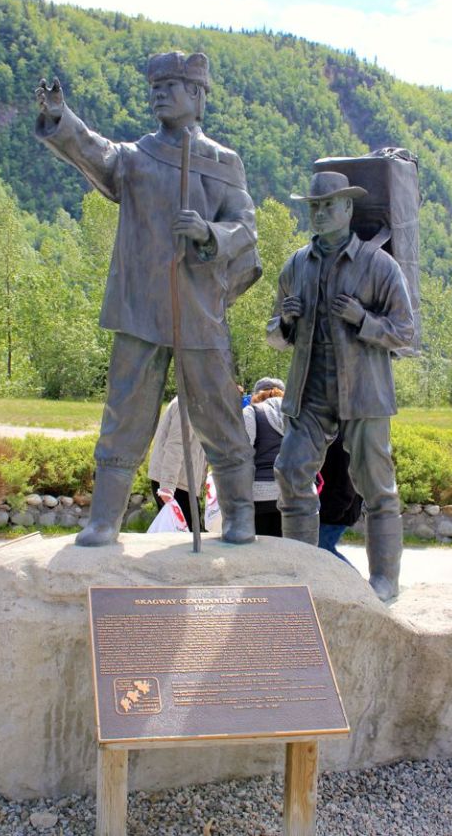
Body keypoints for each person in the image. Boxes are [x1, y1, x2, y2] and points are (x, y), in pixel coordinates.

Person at [35, 52, 259, 546]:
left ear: (198, 96)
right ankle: (104, 521)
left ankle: (240, 516)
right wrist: (60, 118)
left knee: (217, 411)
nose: (160, 93)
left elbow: (246, 229)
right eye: (156, 86)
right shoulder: (135, 157)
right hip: (140, 309)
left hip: (197, 309)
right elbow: (95, 154)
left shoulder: (223, 163)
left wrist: (207, 232)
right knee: (125, 413)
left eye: (174, 85)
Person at [267, 171, 415, 600]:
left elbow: (404, 332)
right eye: (313, 206)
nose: (319, 212)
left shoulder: (378, 265)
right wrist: (286, 322)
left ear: (348, 208)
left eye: (328, 205)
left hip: (364, 393)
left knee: (376, 485)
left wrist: (363, 320)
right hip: (309, 392)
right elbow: (274, 335)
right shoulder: (295, 265)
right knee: (291, 471)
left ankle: (385, 581)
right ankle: (300, 574)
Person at [148, 397, 207, 531]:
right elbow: (176, 444)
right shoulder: (187, 404)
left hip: (181, 482)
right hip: (176, 484)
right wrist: (168, 486)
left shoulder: (195, 402)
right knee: (185, 537)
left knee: (183, 536)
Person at [242, 377, 285, 537]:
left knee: (259, 553)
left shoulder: (252, 412)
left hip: (258, 494)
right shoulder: (297, 415)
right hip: (291, 494)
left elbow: (243, 453)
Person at [318, 432, 362, 566]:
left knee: (322, 549)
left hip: (338, 512)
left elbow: (347, 485)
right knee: (321, 550)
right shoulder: (330, 439)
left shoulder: (342, 442)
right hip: (332, 509)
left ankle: (356, 583)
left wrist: (331, 513)